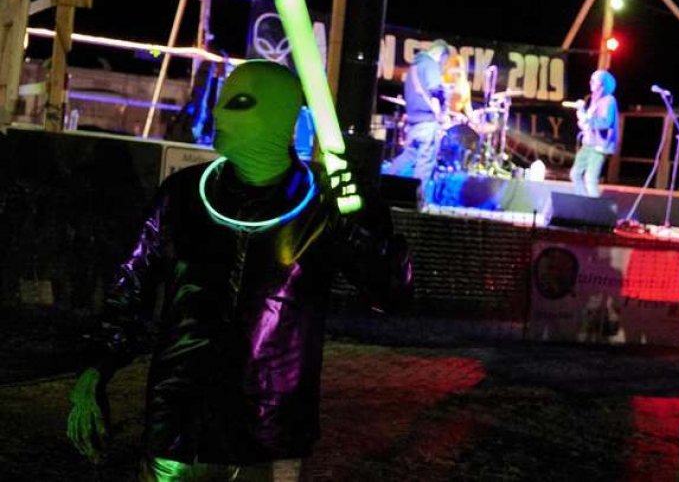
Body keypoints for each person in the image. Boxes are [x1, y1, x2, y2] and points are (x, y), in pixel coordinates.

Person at [66, 60, 412, 482]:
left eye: (240, 102)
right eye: (223, 100)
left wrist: (361, 224)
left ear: (280, 115)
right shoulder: (182, 196)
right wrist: (95, 368)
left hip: (268, 439)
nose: (218, 111)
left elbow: (391, 293)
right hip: (178, 432)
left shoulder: (322, 208)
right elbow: (130, 287)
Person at [384, 39, 451, 182]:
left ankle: (383, 182)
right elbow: (435, 91)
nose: (442, 65)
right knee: (425, 165)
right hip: (427, 122)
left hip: (413, 122)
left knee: (408, 156)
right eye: (444, 61)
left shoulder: (414, 66)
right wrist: (442, 109)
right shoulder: (431, 65)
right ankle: (420, 195)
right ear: (441, 54)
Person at [569, 70, 619, 197]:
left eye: (594, 81)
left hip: (599, 145)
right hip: (588, 143)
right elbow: (587, 123)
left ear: (603, 84)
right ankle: (583, 201)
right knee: (575, 174)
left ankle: (594, 207)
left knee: (590, 179)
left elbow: (606, 122)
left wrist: (588, 120)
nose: (590, 83)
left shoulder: (609, 100)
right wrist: (581, 113)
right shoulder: (594, 100)